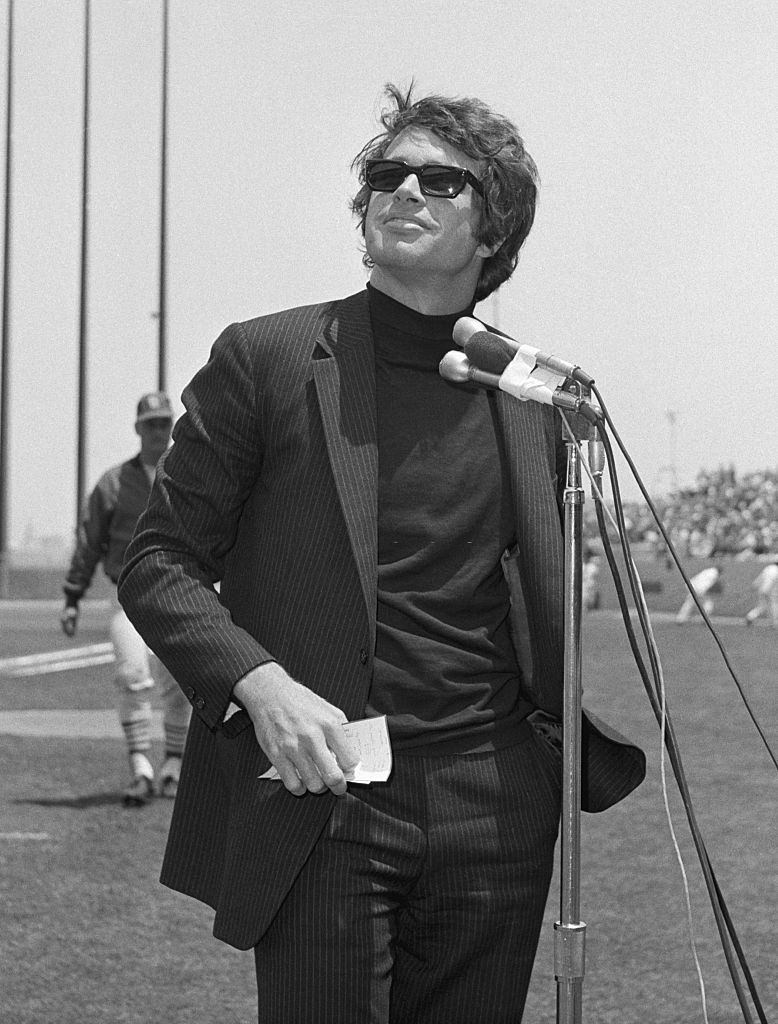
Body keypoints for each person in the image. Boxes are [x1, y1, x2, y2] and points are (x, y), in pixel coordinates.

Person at [118, 84, 645, 1023]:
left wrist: (536, 770)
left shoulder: (536, 395)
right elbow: (158, 562)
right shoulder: (266, 357)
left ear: (495, 228)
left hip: (497, 800)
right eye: (385, 175)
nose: (404, 192)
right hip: (327, 794)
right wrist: (260, 685)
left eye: (440, 181)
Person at [61, 392, 191, 806]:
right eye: (150, 423)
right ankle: (140, 768)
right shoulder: (114, 482)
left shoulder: (191, 474)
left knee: (183, 684)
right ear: (138, 428)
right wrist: (72, 596)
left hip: (180, 593)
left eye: (164, 422)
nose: (158, 430)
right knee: (133, 674)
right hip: (128, 595)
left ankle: (172, 764)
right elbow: (90, 541)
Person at [744, 558, 778, 627]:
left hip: (762, 590)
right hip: (770, 592)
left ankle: (750, 616)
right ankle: (774, 623)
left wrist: (755, 585)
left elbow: (760, 578)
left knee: (762, 606)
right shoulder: (776, 570)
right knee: (773, 606)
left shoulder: (768, 568)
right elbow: (772, 582)